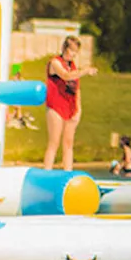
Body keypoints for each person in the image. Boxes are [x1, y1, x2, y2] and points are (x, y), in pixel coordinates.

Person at [43, 36, 98, 171]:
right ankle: (47, 171)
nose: (72, 54)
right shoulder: (55, 63)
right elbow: (66, 76)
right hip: (56, 106)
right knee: (54, 143)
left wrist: (78, 109)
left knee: (68, 143)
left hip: (70, 107)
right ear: (64, 48)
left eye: (75, 52)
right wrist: (85, 71)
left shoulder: (72, 66)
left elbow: (76, 89)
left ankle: (68, 172)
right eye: (71, 50)